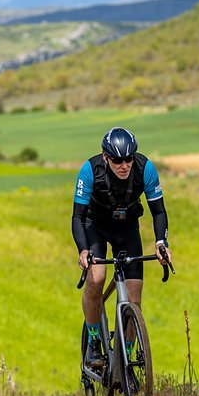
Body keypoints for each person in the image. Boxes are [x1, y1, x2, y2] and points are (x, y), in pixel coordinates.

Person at [72, 127, 172, 367]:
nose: (124, 165)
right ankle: (94, 341)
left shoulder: (145, 168)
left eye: (129, 158)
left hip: (127, 228)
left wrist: (161, 242)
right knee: (96, 279)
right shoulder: (90, 170)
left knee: (134, 298)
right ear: (105, 157)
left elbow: (158, 211)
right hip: (94, 225)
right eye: (117, 160)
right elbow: (77, 217)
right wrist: (83, 251)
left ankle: (125, 358)